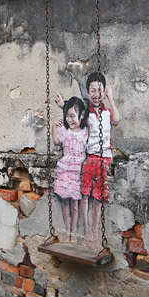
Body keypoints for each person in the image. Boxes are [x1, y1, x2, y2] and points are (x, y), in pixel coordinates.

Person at [55, 72, 120, 250]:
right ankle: (87, 234)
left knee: (98, 197)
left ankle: (95, 230)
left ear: (104, 92)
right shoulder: (85, 113)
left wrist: (111, 99)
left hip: (105, 159)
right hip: (89, 159)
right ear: (88, 92)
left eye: (99, 90)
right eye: (92, 90)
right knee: (84, 195)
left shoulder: (107, 113)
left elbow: (117, 119)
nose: (96, 94)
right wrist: (63, 105)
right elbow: (74, 113)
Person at [51, 97, 89, 244]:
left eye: (73, 116)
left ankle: (74, 231)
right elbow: (56, 142)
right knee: (65, 202)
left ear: (81, 115)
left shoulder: (85, 132)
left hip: (77, 171)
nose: (70, 120)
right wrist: (54, 127)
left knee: (75, 204)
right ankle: (67, 230)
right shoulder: (64, 131)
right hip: (65, 169)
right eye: (67, 116)